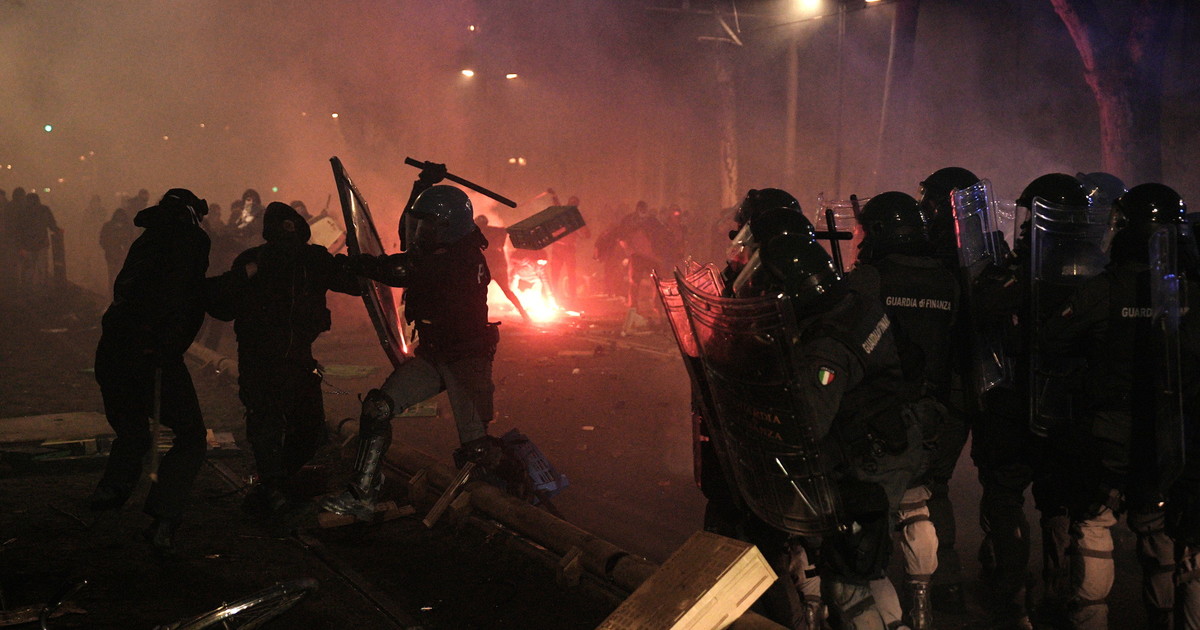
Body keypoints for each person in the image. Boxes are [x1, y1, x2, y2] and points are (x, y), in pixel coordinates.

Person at [724, 231, 927, 629]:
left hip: (866, 461)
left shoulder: (826, 347)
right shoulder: (855, 303)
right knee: (868, 565)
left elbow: (809, 424)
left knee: (847, 578)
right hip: (892, 442)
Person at [1040, 182, 1199, 630]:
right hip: (1169, 438)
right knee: (1160, 528)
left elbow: (1052, 339)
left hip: (1107, 435)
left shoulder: (1102, 290)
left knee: (1093, 524)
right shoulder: (1191, 294)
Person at [320, 167, 502, 521]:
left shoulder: (462, 258)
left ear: (447, 227)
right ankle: (362, 494)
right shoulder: (444, 247)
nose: (419, 233)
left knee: (476, 453)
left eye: (428, 226)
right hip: (435, 355)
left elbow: (403, 269)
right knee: (377, 408)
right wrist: (421, 186)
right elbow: (408, 238)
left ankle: (508, 512)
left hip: (467, 360)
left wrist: (359, 264)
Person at [970, 173, 1093, 628]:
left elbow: (985, 309)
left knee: (1005, 498)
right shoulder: (1096, 274)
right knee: (1057, 505)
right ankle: (1061, 594)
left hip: (1013, 408)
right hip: (1067, 414)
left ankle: (1014, 594)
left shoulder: (1023, 275)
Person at [206, 202, 361, 520]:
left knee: (310, 428)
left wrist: (363, 262)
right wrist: (244, 276)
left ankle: (276, 484)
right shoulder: (253, 261)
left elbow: (355, 284)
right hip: (258, 359)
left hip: (298, 359)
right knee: (265, 426)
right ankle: (273, 489)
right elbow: (221, 305)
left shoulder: (314, 260)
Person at [851, 191, 959, 629]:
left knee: (870, 514)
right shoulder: (949, 281)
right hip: (931, 414)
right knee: (917, 507)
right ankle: (922, 607)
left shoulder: (870, 279)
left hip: (880, 415)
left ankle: (885, 616)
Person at [88, 188, 211, 554]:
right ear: (191, 214)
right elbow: (182, 296)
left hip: (113, 350)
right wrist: (161, 344)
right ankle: (164, 517)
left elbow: (128, 290)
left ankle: (109, 492)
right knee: (191, 435)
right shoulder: (190, 240)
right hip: (149, 353)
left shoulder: (146, 241)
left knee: (132, 430)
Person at [474, 214, 532, 323]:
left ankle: (479, 318)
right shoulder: (495, 232)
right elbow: (505, 231)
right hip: (498, 267)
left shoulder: (477, 234)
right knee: (506, 292)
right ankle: (525, 315)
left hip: (490, 268)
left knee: (479, 292)